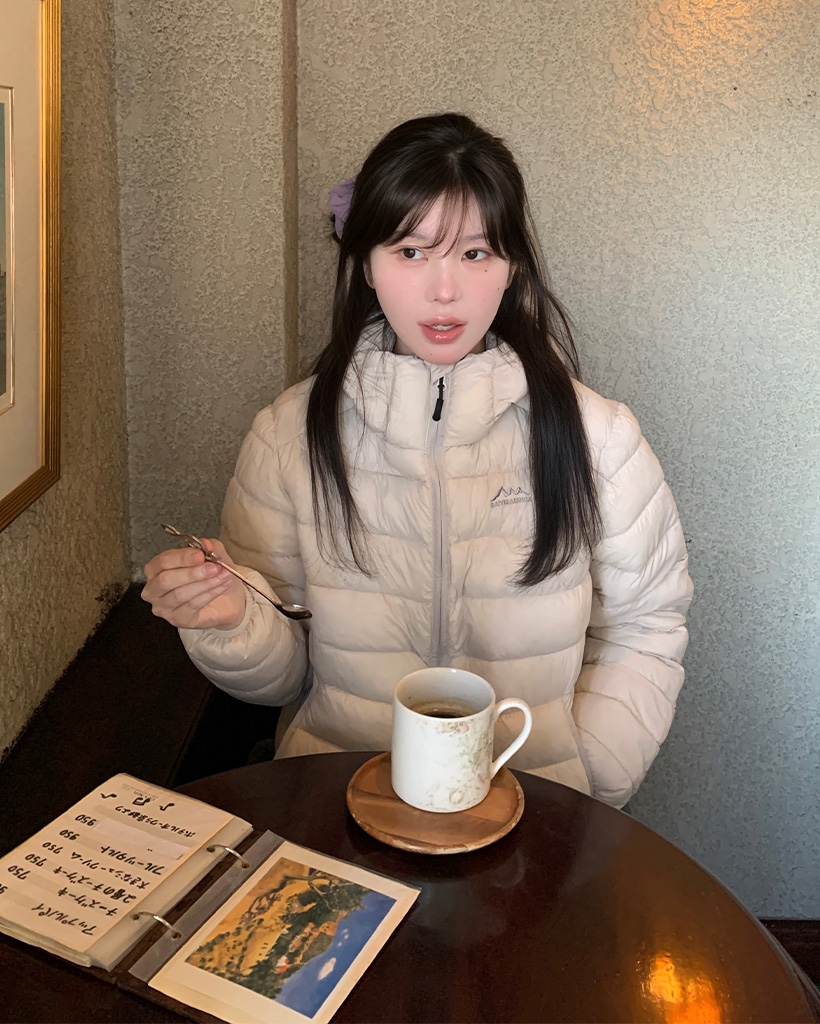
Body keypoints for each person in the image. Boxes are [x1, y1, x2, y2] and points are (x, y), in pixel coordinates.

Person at [142, 113, 693, 809]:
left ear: (512, 266)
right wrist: (228, 620)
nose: (444, 291)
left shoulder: (599, 437)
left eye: (475, 253)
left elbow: (646, 628)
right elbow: (283, 677)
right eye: (410, 251)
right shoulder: (288, 435)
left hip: (532, 821)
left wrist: (584, 788)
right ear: (366, 264)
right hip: (336, 809)